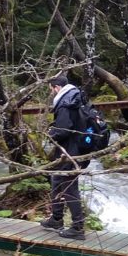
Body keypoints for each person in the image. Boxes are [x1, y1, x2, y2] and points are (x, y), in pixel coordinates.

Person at [39, 75, 87, 239]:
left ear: (56, 87)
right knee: (57, 181)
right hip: (74, 150)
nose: (51, 93)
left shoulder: (66, 102)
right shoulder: (75, 97)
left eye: (51, 89)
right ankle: (56, 219)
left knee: (69, 187)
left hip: (71, 152)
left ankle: (78, 228)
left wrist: (52, 132)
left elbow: (64, 130)